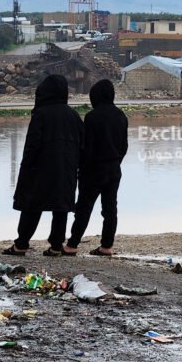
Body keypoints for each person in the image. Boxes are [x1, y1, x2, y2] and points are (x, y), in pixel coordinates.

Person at [4, 74, 84, 257]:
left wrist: (27, 167)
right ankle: (56, 246)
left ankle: (21, 244)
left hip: (40, 169)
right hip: (66, 169)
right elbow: (83, 144)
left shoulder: (41, 114)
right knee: (60, 207)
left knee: (32, 205)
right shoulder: (73, 116)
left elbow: (32, 145)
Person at [65, 79, 128, 256]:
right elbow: (124, 146)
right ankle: (107, 246)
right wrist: (116, 161)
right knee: (110, 209)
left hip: (93, 170)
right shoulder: (121, 115)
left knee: (84, 207)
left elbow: (87, 147)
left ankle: (72, 244)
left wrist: (81, 167)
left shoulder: (92, 117)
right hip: (114, 169)